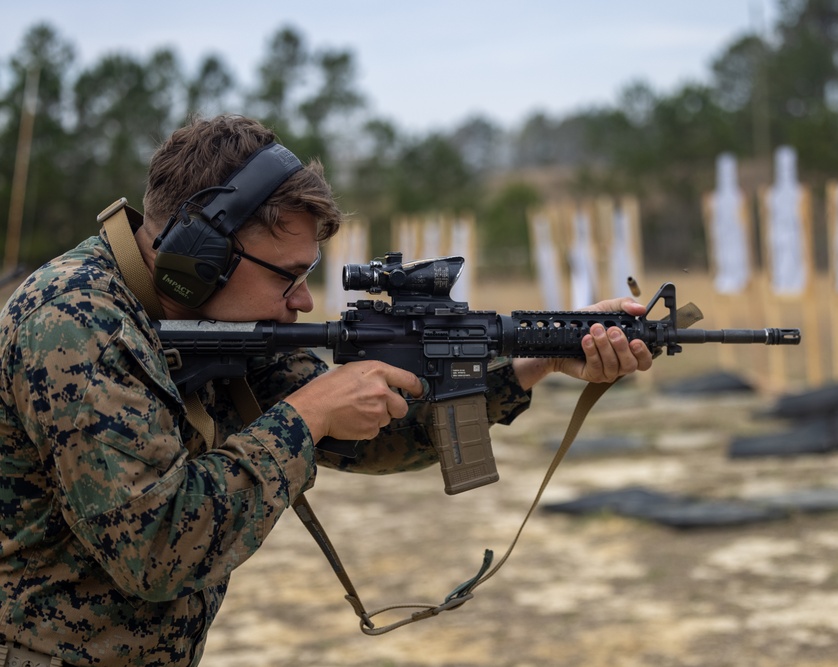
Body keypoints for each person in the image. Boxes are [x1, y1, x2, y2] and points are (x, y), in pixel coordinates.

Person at [0, 114, 652, 666]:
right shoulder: (73, 324)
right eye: (288, 275)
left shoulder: (213, 321)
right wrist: (309, 412)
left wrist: (532, 362)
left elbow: (365, 437)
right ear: (201, 257)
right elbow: (160, 549)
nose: (304, 299)